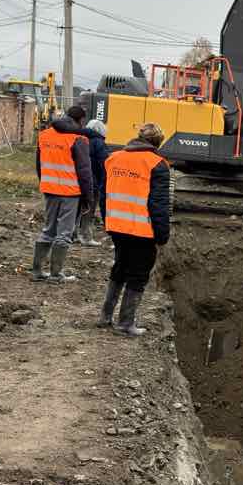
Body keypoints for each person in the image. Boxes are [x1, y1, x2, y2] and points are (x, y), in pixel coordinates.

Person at [99, 122, 171, 335]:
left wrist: (107, 221)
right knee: (138, 274)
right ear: (157, 142)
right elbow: (158, 204)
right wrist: (162, 235)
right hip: (141, 230)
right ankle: (125, 323)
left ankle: (105, 316)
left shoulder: (114, 158)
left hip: (116, 225)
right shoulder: (157, 164)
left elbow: (104, 195)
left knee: (120, 268)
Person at [32, 104, 94, 282]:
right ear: (81, 120)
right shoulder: (78, 139)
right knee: (64, 233)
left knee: (48, 230)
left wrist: (45, 183)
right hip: (70, 193)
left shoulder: (44, 135)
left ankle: (37, 271)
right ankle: (55, 274)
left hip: (50, 190)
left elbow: (39, 164)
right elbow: (85, 172)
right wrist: (88, 198)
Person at [75, 118, 111, 247]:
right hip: (92, 182)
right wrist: (102, 181)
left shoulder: (79, 138)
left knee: (77, 209)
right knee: (89, 210)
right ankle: (86, 236)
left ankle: (73, 235)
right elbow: (104, 164)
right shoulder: (99, 143)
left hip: (77, 180)